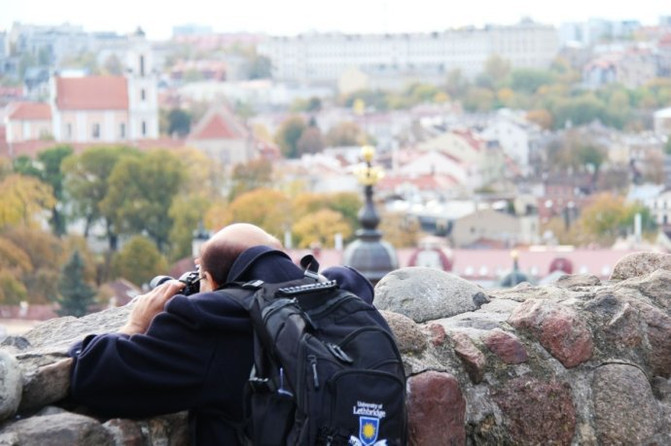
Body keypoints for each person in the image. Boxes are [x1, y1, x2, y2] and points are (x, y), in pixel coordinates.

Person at [68, 223, 375, 445]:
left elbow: (94, 374)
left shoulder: (212, 325)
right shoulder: (345, 297)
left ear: (211, 282)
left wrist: (135, 325)